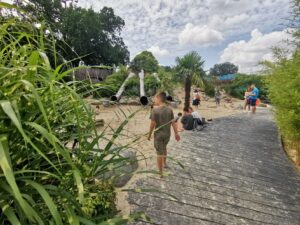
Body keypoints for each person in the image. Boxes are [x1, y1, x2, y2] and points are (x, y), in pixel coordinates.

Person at [148, 92, 180, 177]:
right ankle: (164, 164)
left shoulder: (155, 110)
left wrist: (149, 134)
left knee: (159, 153)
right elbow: (173, 122)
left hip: (159, 135)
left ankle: (160, 172)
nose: (154, 100)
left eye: (155, 98)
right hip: (167, 134)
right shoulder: (169, 109)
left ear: (159, 98)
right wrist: (176, 133)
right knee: (164, 148)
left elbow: (152, 123)